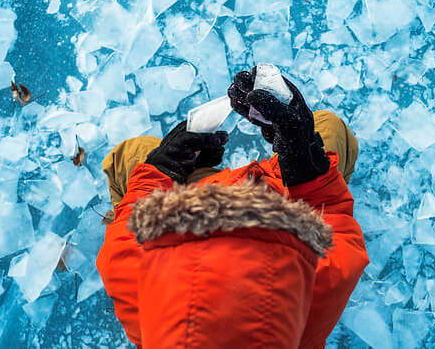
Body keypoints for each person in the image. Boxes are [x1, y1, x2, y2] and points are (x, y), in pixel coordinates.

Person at [96, 67, 369, 348]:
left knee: (132, 153)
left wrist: (163, 167)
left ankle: (188, 174)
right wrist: (304, 158)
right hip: (280, 198)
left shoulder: (144, 291)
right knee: (329, 127)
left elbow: (126, 237)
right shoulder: (310, 289)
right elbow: (333, 220)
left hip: (192, 202)